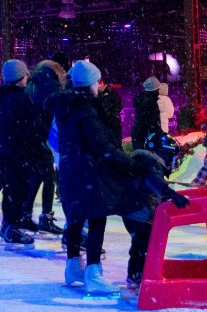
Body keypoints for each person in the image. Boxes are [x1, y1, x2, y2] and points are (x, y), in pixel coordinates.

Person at [49, 59, 134, 296]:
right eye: (96, 81)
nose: (98, 85)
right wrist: (128, 162)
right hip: (89, 172)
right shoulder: (86, 108)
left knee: (76, 218)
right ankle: (93, 273)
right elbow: (100, 144)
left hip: (70, 170)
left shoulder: (65, 106)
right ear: (90, 83)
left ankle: (73, 266)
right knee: (97, 219)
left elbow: (57, 139)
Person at [118, 131, 190, 298]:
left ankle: (136, 275)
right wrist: (170, 194)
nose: (172, 160)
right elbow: (153, 181)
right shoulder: (151, 164)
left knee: (141, 244)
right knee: (144, 244)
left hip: (133, 210)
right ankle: (138, 277)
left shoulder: (146, 162)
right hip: (138, 212)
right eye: (171, 155)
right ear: (162, 152)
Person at [0, 60, 44, 249]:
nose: (27, 77)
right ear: (20, 77)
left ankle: (9, 226)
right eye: (25, 74)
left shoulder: (1, 96)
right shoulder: (19, 98)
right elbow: (30, 126)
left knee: (11, 188)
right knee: (18, 188)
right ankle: (12, 227)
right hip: (12, 151)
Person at [26, 59, 67, 235]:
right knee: (49, 177)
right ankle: (46, 217)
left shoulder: (33, 84)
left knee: (36, 176)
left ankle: (26, 214)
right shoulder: (52, 85)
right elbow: (59, 111)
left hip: (31, 135)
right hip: (41, 136)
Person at [132, 77, 163, 149]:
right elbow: (153, 121)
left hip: (139, 134)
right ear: (154, 90)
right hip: (144, 135)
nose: (159, 91)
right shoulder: (150, 102)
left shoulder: (143, 99)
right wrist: (159, 133)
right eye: (158, 89)